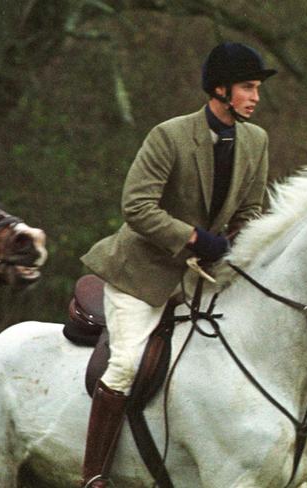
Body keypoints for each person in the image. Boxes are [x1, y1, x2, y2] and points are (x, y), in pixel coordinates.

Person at [79, 41, 277, 487]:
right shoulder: (169, 136)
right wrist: (192, 237)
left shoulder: (257, 141)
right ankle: (92, 476)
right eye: (248, 87)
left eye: (257, 88)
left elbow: (250, 210)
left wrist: (238, 246)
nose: (256, 97)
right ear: (220, 90)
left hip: (202, 275)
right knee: (126, 364)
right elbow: (137, 206)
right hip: (141, 273)